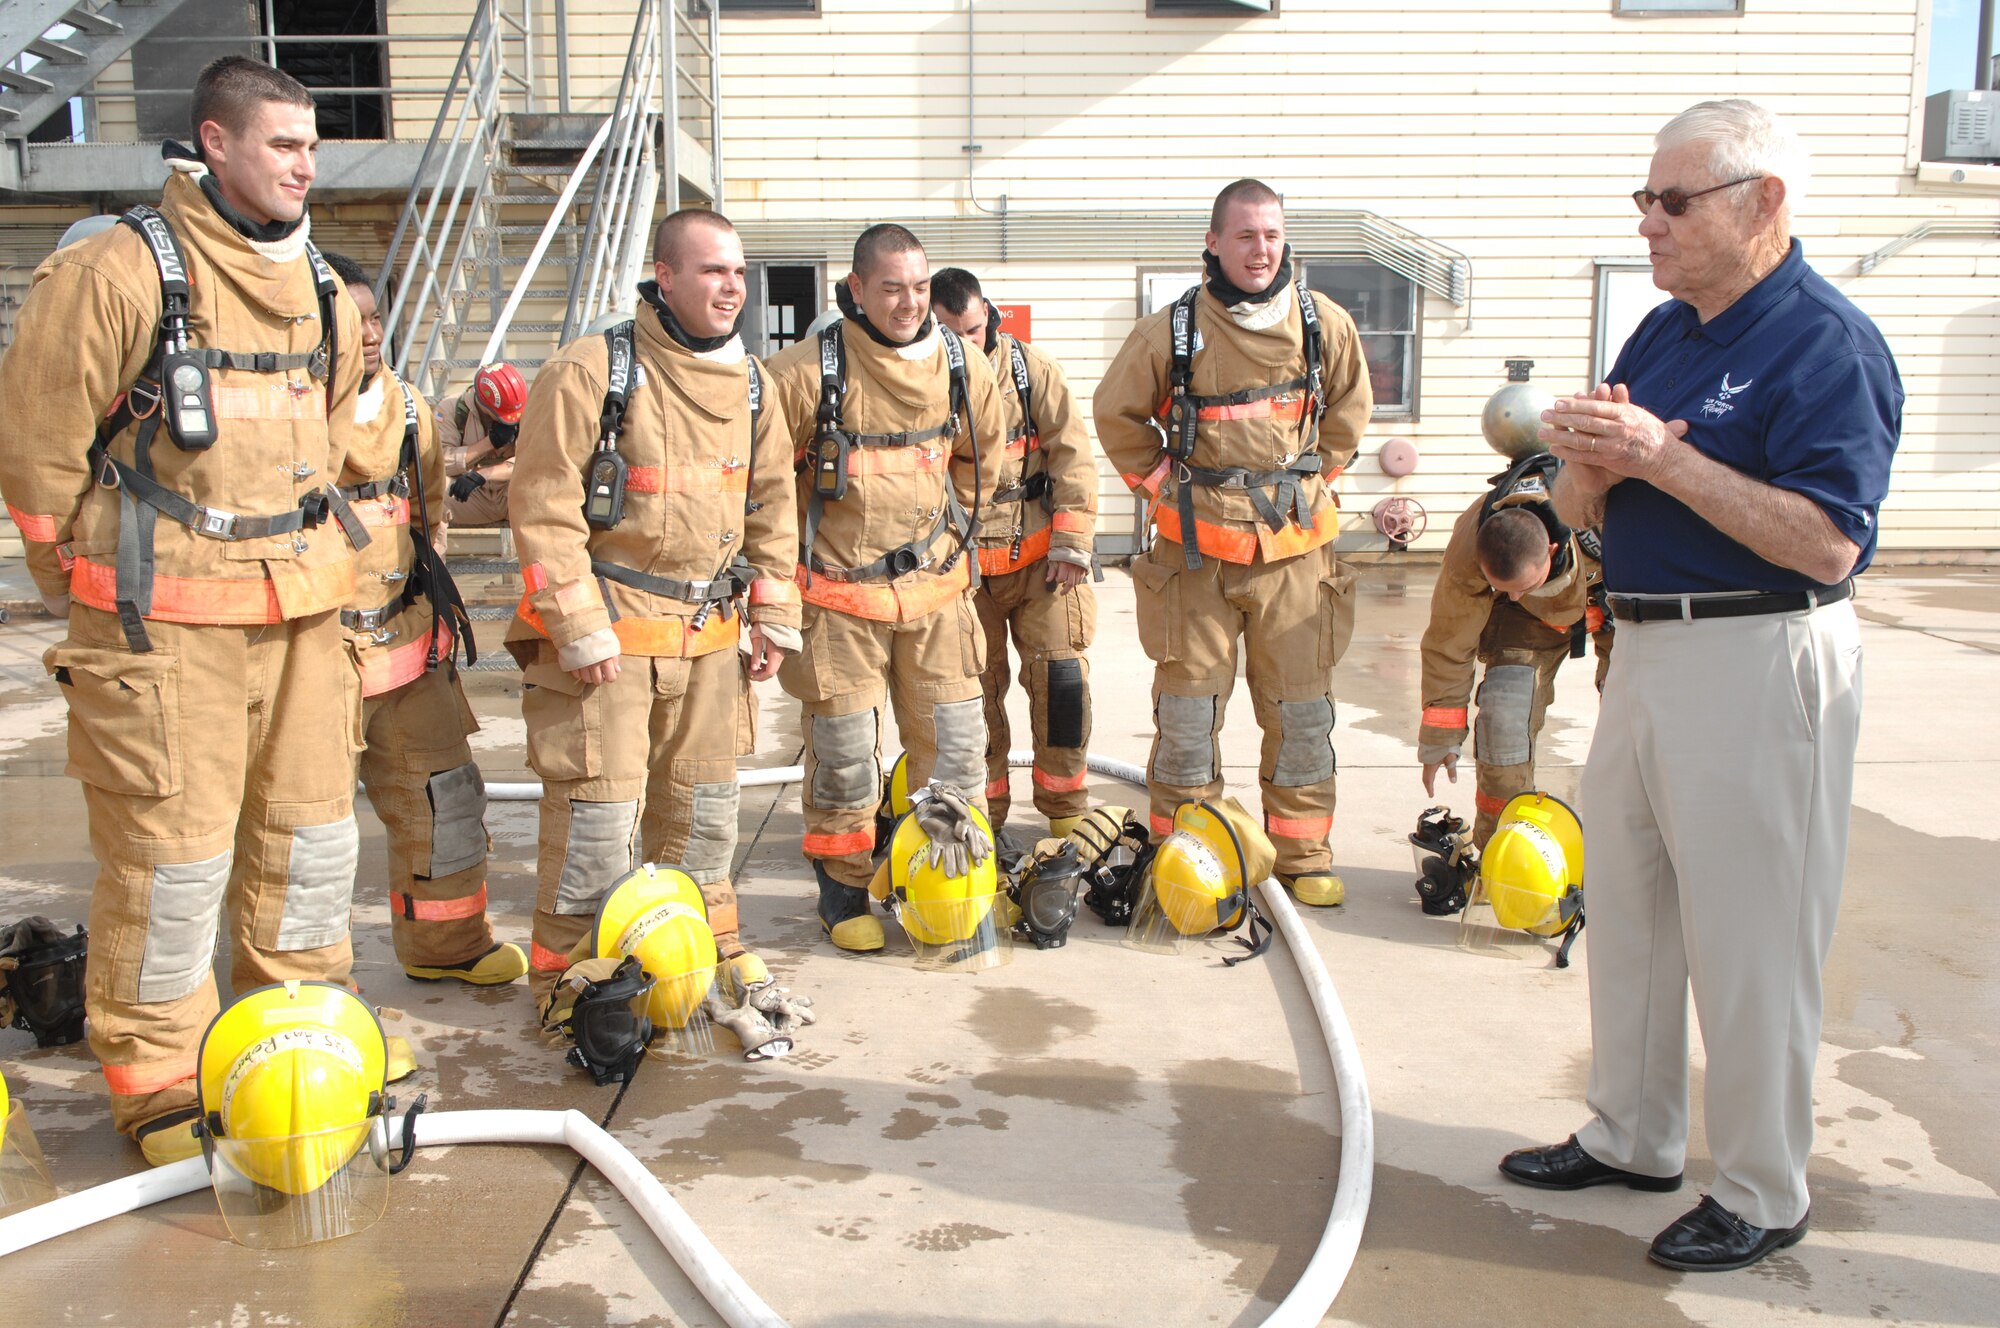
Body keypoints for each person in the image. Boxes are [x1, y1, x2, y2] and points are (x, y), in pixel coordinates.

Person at [1499, 100, 1901, 1273]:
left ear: (1761, 203)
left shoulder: (1825, 343)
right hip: (1643, 645)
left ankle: (1764, 1186)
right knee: (1627, 911)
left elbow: (1828, 542)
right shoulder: (1664, 335)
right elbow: (1585, 508)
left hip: (1760, 654)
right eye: (1643, 200)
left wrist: (1666, 459)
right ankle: (1632, 1133)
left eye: (1672, 202)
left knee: (1751, 937)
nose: (1649, 223)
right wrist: (1584, 463)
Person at [0, 57, 372, 1164]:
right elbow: (37, 458)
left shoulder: (316, 283)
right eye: (283, 145)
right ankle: (159, 1075)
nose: (306, 164)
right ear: (214, 142)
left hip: (301, 619)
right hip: (159, 628)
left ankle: (294, 1036)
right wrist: (80, 596)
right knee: (173, 858)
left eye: (312, 145)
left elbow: (335, 433)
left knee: (308, 844)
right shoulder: (115, 271)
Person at [505, 209, 803, 1027]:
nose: (731, 287)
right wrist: (577, 624)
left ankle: (693, 962)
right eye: (712, 271)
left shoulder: (754, 386)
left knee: (703, 817)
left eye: (738, 273)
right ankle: (574, 990)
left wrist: (772, 616)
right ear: (664, 277)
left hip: (709, 643)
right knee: (596, 824)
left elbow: (775, 506)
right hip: (608, 646)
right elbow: (542, 506)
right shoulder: (590, 371)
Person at [1093, 179, 1371, 908]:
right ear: (1213, 244)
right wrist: (1160, 485)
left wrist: (1316, 483)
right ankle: (1185, 845)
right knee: (1187, 711)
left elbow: (1348, 410)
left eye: (1272, 234)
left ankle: (1304, 850)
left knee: (1302, 709)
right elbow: (1116, 415)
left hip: (1296, 557)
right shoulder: (1170, 332)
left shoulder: (1324, 324)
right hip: (1194, 560)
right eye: (1245, 235)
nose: (1261, 249)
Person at [762, 225, 1010, 952]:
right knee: (843, 758)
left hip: (936, 599)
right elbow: (767, 487)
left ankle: (948, 889)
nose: (909, 303)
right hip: (838, 603)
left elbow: (980, 461)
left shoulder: (963, 365)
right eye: (892, 288)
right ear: (857, 289)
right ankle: (842, 894)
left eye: (920, 286)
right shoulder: (803, 375)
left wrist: (946, 541)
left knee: (956, 752)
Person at [320, 250, 525, 987]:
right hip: (312, 659)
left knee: (444, 799)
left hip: (404, 651)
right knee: (306, 835)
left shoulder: (409, 410)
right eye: (352, 319)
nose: (369, 333)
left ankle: (448, 947)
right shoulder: (281, 413)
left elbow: (429, 516)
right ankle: (303, 995)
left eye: (376, 317)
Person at [929, 267, 1098, 838]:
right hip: (962, 570)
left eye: (973, 331)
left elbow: (1073, 455)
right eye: (949, 334)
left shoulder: (1031, 371)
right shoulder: (914, 379)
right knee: (971, 699)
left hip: (1042, 565)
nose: (963, 345)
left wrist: (1073, 543)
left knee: (1061, 686)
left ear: (989, 316)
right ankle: (983, 816)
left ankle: (1065, 814)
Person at [1417, 454, 1612, 847]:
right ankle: (1503, 854)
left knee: (1633, 726)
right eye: (1503, 587)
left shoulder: (1600, 514)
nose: (1513, 593)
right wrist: (1440, 739)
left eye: (1523, 584)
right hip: (1525, 625)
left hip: (1614, 608)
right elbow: (1448, 639)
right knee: (1502, 724)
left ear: (1553, 549)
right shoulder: (1469, 544)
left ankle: (1627, 856)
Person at [439, 362, 526, 528]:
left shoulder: (526, 408)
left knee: (549, 488)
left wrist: (484, 474)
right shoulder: (451, 408)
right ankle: (432, 554)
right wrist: (489, 443)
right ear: (483, 403)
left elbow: (532, 461)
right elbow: (440, 464)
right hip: (470, 495)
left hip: (513, 493)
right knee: (429, 492)